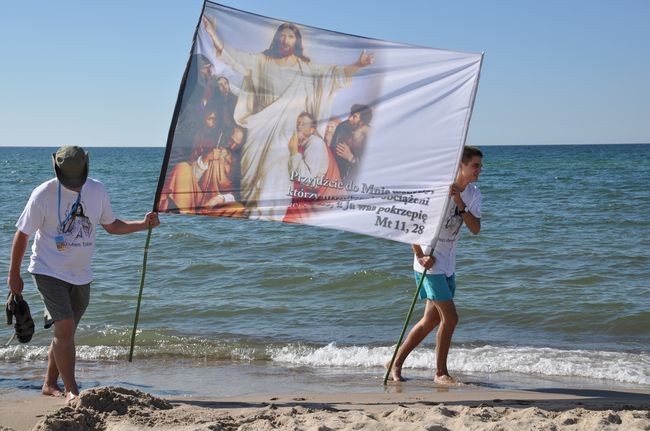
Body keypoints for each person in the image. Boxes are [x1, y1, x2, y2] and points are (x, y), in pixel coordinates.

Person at [6, 146, 160, 404]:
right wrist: (14, 274)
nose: (75, 185)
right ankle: (71, 389)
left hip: (81, 274)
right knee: (64, 328)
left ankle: (48, 383)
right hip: (47, 270)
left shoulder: (97, 189)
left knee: (64, 334)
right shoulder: (43, 194)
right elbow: (22, 234)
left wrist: (143, 224)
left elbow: (112, 226)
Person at [201, 17, 373, 221]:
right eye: (281, 36)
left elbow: (332, 75)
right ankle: (250, 225)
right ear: (276, 39)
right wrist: (212, 33)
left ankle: (269, 221)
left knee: (276, 174)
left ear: (296, 42)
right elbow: (233, 57)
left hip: (287, 133)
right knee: (250, 177)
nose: (285, 40)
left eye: (290, 36)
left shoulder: (305, 67)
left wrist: (358, 65)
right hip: (260, 130)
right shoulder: (261, 61)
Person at [387, 146, 483, 385]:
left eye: (480, 166)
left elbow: (475, 228)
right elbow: (412, 225)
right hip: (429, 265)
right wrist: (419, 256)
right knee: (451, 318)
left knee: (430, 320)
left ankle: (394, 364)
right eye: (475, 166)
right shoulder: (437, 190)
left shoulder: (473, 193)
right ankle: (440, 373)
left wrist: (459, 200)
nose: (479, 171)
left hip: (448, 264)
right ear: (461, 165)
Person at [283, 112, 344, 223]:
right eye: (298, 123)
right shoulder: (301, 145)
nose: (298, 126)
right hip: (304, 203)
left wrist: (294, 153)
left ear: (312, 130)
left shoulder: (315, 142)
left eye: (303, 124)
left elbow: (308, 180)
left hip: (316, 206)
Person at [329, 104, 372, 183]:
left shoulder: (370, 135)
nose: (349, 118)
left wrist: (351, 158)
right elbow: (334, 148)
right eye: (350, 115)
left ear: (362, 121)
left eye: (354, 116)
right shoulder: (342, 126)